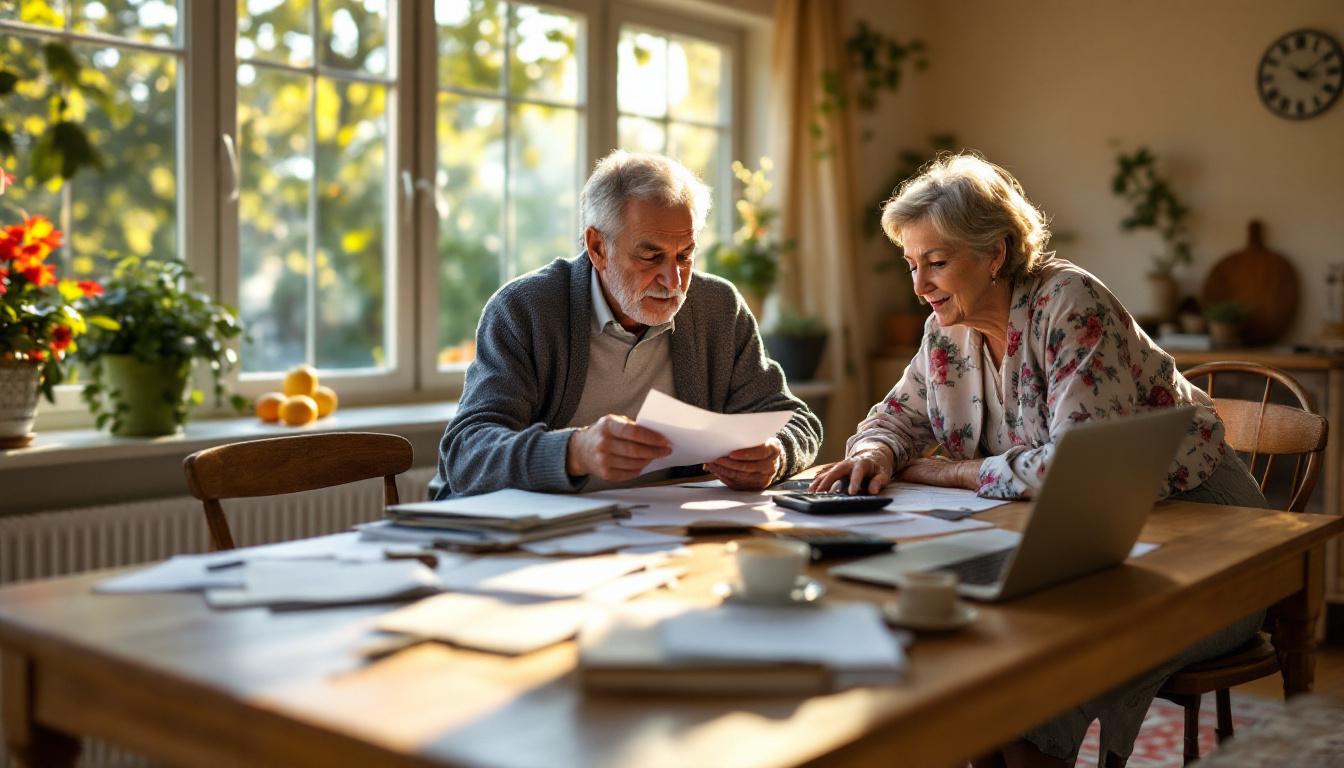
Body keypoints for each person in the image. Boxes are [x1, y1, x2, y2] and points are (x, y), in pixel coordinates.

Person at [812, 153, 1265, 768]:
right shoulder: (946, 327)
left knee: (1047, 664)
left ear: (996, 253)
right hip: (1092, 535)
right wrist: (875, 449)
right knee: (989, 658)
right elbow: (900, 414)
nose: (919, 286)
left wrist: (954, 472)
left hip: (1208, 530)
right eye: (912, 264)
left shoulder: (1068, 303)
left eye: (937, 263)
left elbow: (1079, 469)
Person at [430, 150, 821, 499]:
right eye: (650, 257)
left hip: (655, 530)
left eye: (684, 255)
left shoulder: (717, 307)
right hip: (533, 534)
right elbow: (466, 452)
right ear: (598, 247)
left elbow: (796, 420)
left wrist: (776, 452)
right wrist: (574, 452)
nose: (673, 281)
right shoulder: (525, 309)